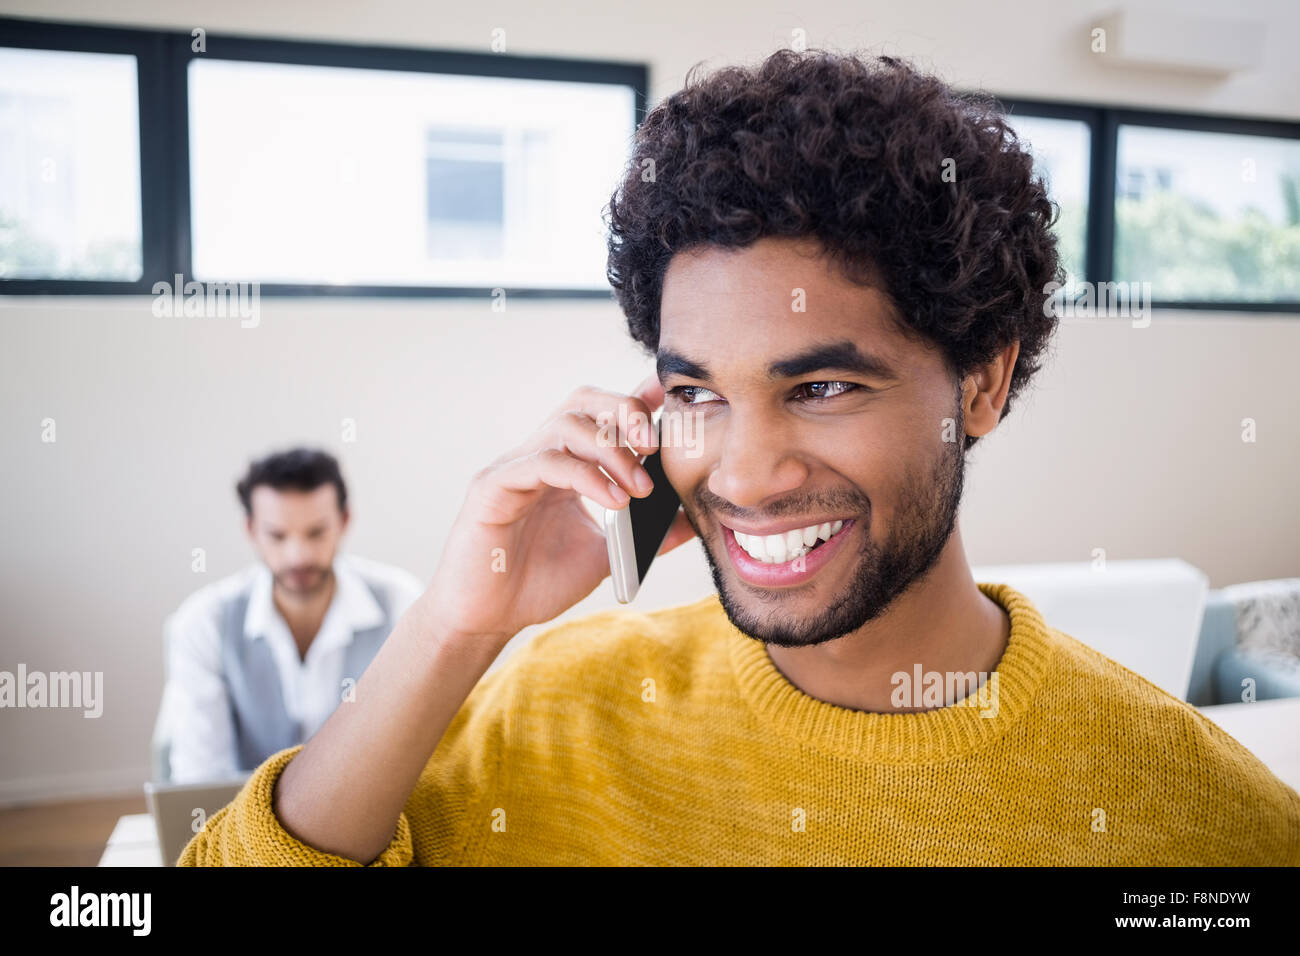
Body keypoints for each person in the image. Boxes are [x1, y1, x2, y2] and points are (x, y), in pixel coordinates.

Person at [180, 50, 1300, 864]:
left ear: (983, 383)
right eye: (695, 391)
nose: (747, 472)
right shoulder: (552, 707)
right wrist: (455, 627)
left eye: (820, 386)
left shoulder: (1199, 817)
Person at [158, 447, 422, 783]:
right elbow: (201, 775)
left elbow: (422, 747)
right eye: (277, 536)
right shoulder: (204, 622)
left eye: (316, 533)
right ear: (251, 530)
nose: (298, 556)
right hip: (243, 825)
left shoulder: (401, 602)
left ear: (344, 522)